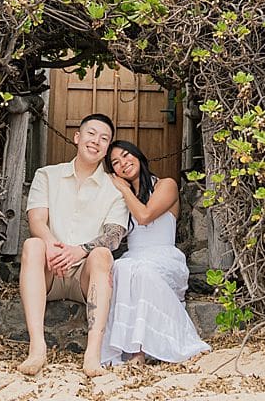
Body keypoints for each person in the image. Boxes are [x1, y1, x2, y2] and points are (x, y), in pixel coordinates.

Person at [18, 113, 129, 377]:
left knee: (102, 254)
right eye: (91, 134)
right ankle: (37, 348)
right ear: (77, 137)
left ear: (107, 148)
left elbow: (114, 235)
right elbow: (36, 219)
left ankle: (92, 354)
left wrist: (78, 251)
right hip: (50, 268)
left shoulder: (115, 190)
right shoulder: (47, 175)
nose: (96, 141)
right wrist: (53, 246)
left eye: (104, 139)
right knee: (33, 245)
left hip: (84, 275)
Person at [100, 140, 210, 366]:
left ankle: (138, 351)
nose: (123, 163)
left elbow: (145, 216)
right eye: (116, 163)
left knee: (140, 272)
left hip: (164, 257)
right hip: (134, 258)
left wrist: (122, 189)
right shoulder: (122, 199)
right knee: (121, 267)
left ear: (137, 155)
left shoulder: (165, 185)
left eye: (126, 155)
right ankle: (130, 350)